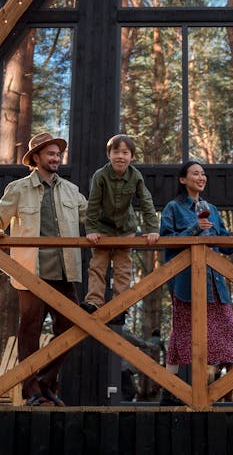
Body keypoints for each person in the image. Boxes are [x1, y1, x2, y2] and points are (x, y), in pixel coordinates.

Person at [0, 132, 87, 406]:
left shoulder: (71, 191)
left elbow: (94, 218)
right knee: (29, 329)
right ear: (37, 158)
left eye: (58, 154)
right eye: (50, 154)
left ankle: (44, 382)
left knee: (72, 327)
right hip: (31, 272)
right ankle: (33, 393)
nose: (55, 158)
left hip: (65, 270)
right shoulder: (18, 188)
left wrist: (127, 232)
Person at [158, 160, 233, 406]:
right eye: (196, 173)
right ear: (183, 179)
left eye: (203, 173)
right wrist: (194, 229)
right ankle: (168, 392)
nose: (201, 177)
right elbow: (166, 242)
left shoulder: (212, 208)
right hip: (186, 285)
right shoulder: (173, 208)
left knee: (230, 333)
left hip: (215, 285)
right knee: (181, 336)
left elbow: (223, 241)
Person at [80, 134, 160, 325]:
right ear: (109, 154)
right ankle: (94, 302)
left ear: (132, 157)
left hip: (126, 228)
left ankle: (120, 307)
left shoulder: (136, 176)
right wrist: (90, 229)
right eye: (116, 152)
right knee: (97, 266)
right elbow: (93, 204)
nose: (120, 157)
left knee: (123, 268)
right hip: (103, 228)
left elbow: (146, 202)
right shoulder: (100, 176)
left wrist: (152, 229)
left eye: (125, 152)